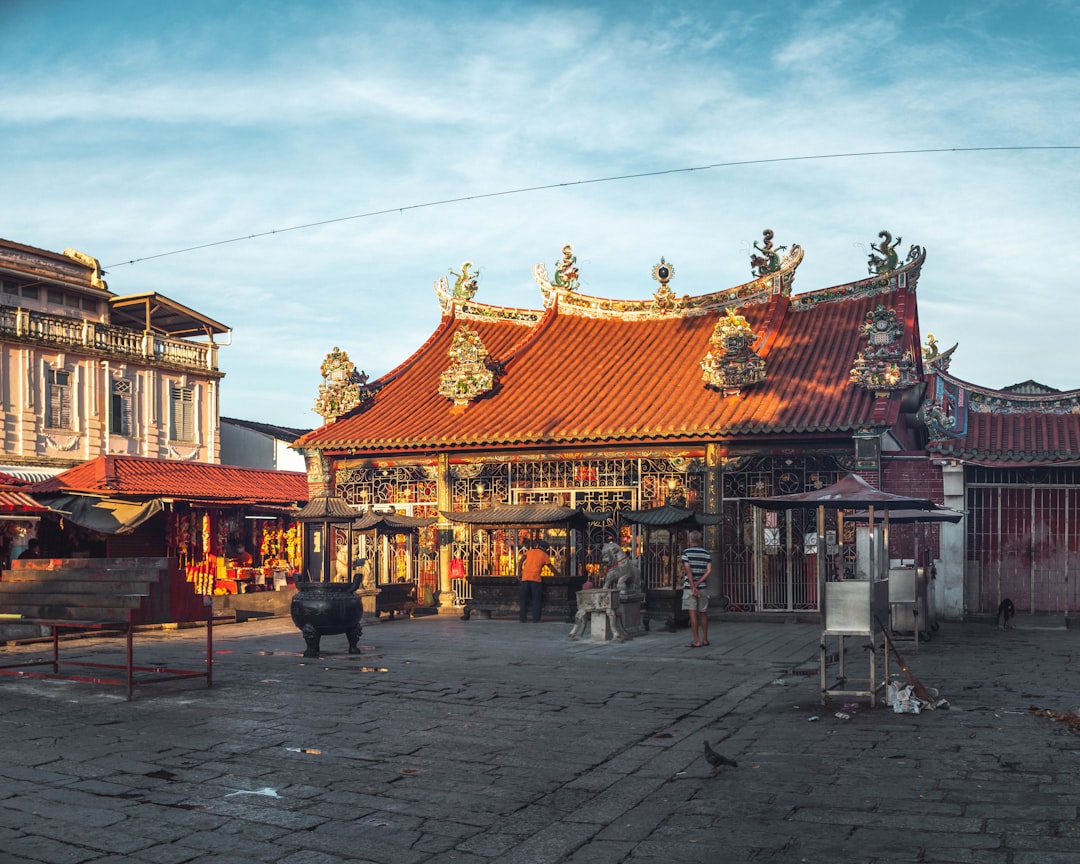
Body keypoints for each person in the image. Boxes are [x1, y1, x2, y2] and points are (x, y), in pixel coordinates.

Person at [680, 530, 711, 647]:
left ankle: (696, 640)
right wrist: (698, 583)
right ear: (700, 540)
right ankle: (705, 639)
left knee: (693, 615)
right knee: (703, 613)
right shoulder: (706, 553)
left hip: (689, 588)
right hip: (702, 587)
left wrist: (693, 585)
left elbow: (688, 570)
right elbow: (709, 571)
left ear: (690, 540)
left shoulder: (686, 553)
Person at [518, 539, 551, 623]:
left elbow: (521, 561)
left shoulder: (530, 552)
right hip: (536, 579)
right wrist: (559, 575)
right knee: (536, 600)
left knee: (523, 600)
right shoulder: (544, 555)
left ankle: (522, 619)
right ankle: (536, 619)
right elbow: (551, 568)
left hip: (525, 578)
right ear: (545, 548)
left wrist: (519, 573)